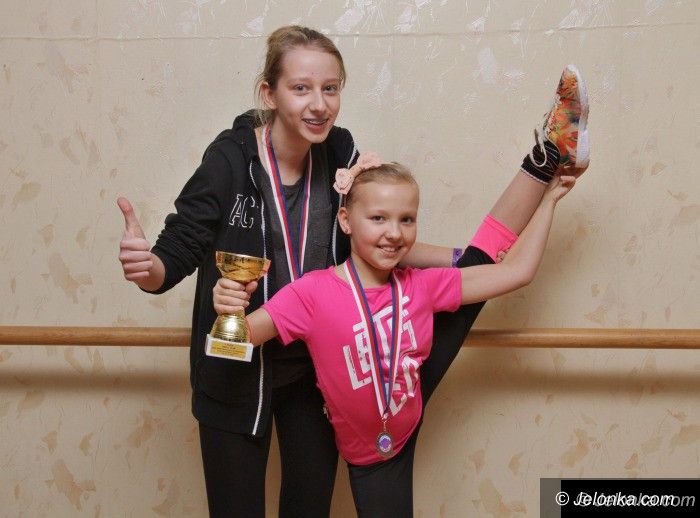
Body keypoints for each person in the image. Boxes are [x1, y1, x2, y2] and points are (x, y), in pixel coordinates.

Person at [118, 23, 588, 517]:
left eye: (330, 88)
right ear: (269, 94)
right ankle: (545, 160)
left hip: (314, 370)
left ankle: (548, 155)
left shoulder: (340, 151)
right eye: (301, 88)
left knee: (309, 508)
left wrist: (457, 258)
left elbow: (372, 235)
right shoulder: (229, 160)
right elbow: (177, 254)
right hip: (239, 367)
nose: (318, 104)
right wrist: (148, 267)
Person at [228, 160, 576, 517]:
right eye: (378, 218)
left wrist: (549, 201)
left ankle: (543, 158)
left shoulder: (422, 284)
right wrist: (229, 304)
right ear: (346, 221)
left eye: (406, 219)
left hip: (409, 403)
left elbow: (518, 272)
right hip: (374, 454)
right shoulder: (311, 294)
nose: (394, 233)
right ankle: (543, 158)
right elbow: (232, 341)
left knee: (477, 262)